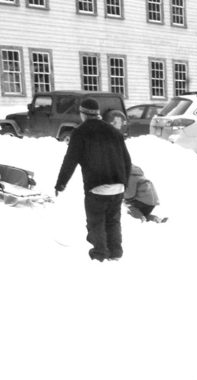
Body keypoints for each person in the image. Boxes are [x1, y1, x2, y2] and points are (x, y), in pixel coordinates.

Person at [55, 97, 132, 261]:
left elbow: (70, 161)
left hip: (96, 187)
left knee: (96, 222)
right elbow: (127, 161)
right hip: (118, 186)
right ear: (97, 114)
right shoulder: (114, 132)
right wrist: (124, 183)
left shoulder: (80, 133)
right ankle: (116, 252)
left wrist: (61, 183)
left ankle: (100, 254)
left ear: (82, 113)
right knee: (113, 221)